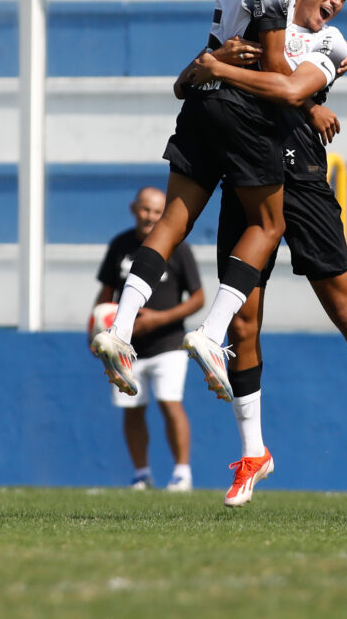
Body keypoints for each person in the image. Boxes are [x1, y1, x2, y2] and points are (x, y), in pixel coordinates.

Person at [91, 0, 342, 403]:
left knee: (172, 221)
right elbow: (274, 66)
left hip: (201, 105)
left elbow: (209, 55)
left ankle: (119, 328)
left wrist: (199, 77)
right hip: (241, 112)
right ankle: (211, 333)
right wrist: (310, 98)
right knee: (269, 223)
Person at [189, 0, 347, 507]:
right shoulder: (269, 26)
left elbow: (285, 89)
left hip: (301, 173)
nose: (337, 0)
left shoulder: (331, 43)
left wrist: (223, 70)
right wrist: (222, 67)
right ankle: (253, 453)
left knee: (345, 309)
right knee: (244, 322)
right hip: (249, 168)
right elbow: (264, 73)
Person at [92, 186, 205, 490]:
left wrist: (159, 319)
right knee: (132, 408)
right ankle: (141, 474)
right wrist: (97, 332)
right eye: (145, 210)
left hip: (169, 343)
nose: (151, 216)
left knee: (170, 402)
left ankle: (182, 473)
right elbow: (105, 296)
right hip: (128, 348)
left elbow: (198, 298)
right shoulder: (120, 245)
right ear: (134, 209)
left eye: (157, 211)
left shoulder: (178, 247)